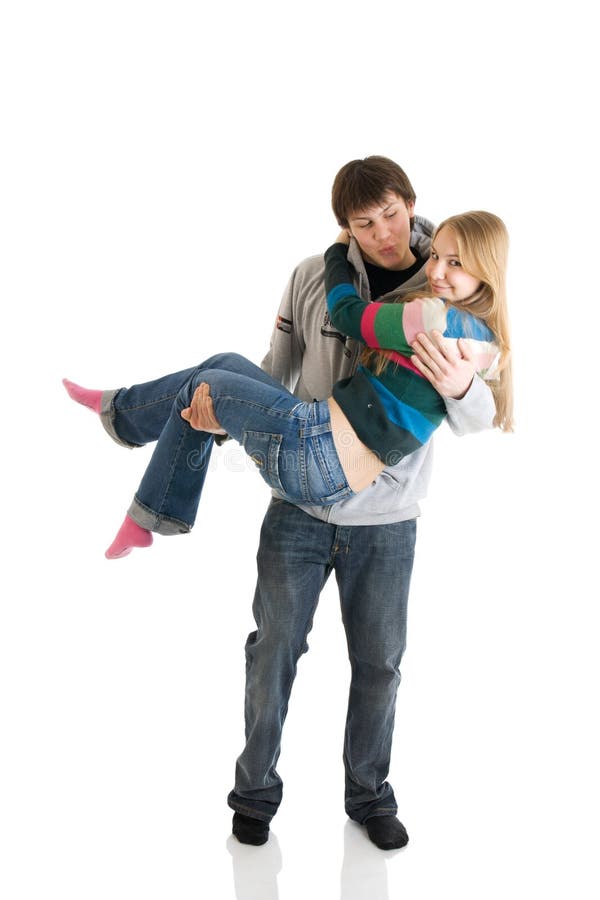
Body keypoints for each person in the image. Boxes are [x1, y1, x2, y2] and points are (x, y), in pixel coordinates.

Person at [64, 157, 501, 850]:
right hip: (300, 496)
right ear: (345, 225)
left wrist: (459, 387)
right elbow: (274, 372)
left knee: (380, 665)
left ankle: (370, 795)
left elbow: (480, 412)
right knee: (271, 653)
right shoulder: (308, 276)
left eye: (392, 214)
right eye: (363, 224)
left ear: (410, 204)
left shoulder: (444, 286)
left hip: (384, 518)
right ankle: (255, 793)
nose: (384, 233)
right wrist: (228, 420)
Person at [63, 209, 511, 561]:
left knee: (210, 381)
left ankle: (148, 503)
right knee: (225, 364)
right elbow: (485, 410)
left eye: (456, 263)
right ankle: (120, 417)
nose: (437, 272)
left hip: (318, 457)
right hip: (320, 446)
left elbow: (348, 315)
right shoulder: (488, 344)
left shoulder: (431, 315)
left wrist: (337, 251)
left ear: (484, 270)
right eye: (436, 256)